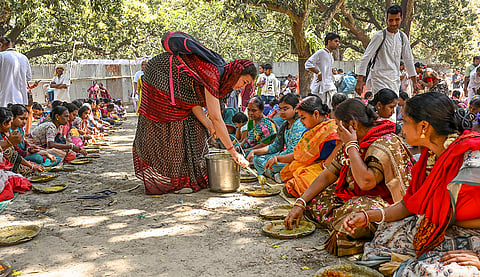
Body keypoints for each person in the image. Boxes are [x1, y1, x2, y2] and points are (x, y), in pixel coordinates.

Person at [343, 93, 480, 276]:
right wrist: (368, 216)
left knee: (435, 272)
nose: (401, 125)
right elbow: (410, 205)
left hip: (471, 234)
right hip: (438, 226)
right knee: (382, 239)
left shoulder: (472, 162)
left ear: (424, 127)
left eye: (405, 120)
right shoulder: (431, 155)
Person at [284, 99, 414, 257]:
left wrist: (351, 146)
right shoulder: (353, 140)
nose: (336, 130)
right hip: (354, 197)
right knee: (314, 201)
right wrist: (301, 202)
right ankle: (345, 222)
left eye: (338, 126)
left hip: (384, 203)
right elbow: (329, 174)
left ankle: (352, 229)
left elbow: (366, 182)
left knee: (349, 222)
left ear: (353, 124)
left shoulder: (384, 143)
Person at [133, 48, 255, 194]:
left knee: (196, 128)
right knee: (175, 127)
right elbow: (216, 117)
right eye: (244, 81)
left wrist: (209, 126)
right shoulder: (213, 75)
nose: (243, 87)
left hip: (179, 86)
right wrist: (233, 152)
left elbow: (192, 103)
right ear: (236, 73)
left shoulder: (221, 78)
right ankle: (176, 181)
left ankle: (189, 179)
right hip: (161, 74)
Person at [281, 96, 340, 197]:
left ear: (316, 114)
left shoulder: (332, 130)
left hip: (329, 169)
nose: (301, 122)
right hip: (315, 166)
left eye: (303, 118)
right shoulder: (309, 130)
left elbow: (330, 163)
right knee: (291, 170)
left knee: (299, 179)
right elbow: (300, 155)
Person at [355, 5, 417, 96]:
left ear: (401, 18)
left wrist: (414, 81)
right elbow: (366, 57)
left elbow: (408, 59)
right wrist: (359, 80)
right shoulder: (380, 36)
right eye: (391, 20)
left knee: (392, 109)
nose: (393, 23)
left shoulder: (402, 37)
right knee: (383, 107)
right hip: (379, 79)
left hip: (395, 80)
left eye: (397, 20)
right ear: (387, 19)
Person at [247, 94, 305, 180]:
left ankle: (275, 174)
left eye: (285, 109)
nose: (281, 112)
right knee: (256, 159)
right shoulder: (285, 125)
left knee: (279, 165)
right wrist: (254, 151)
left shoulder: (298, 125)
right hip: (283, 157)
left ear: (296, 109)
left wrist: (275, 158)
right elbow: (275, 146)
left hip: (294, 159)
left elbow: (292, 152)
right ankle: (274, 175)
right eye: (280, 109)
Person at [0, 107, 32, 202]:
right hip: (8, 166)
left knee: (23, 181)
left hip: (7, 166)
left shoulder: (8, 133)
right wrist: (9, 143)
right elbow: (11, 153)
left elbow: (16, 151)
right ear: (4, 124)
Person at [305, 32, 340, 108]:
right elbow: (307, 64)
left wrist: (331, 70)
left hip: (329, 86)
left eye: (338, 42)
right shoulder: (321, 52)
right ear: (329, 41)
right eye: (336, 41)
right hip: (320, 87)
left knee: (330, 108)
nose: (337, 44)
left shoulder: (330, 55)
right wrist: (319, 73)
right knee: (319, 108)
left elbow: (325, 67)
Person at [0, 37, 32, 107]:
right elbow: (29, 77)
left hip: (4, 100)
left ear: (1, 44)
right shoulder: (24, 57)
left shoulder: (1, 56)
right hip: (20, 100)